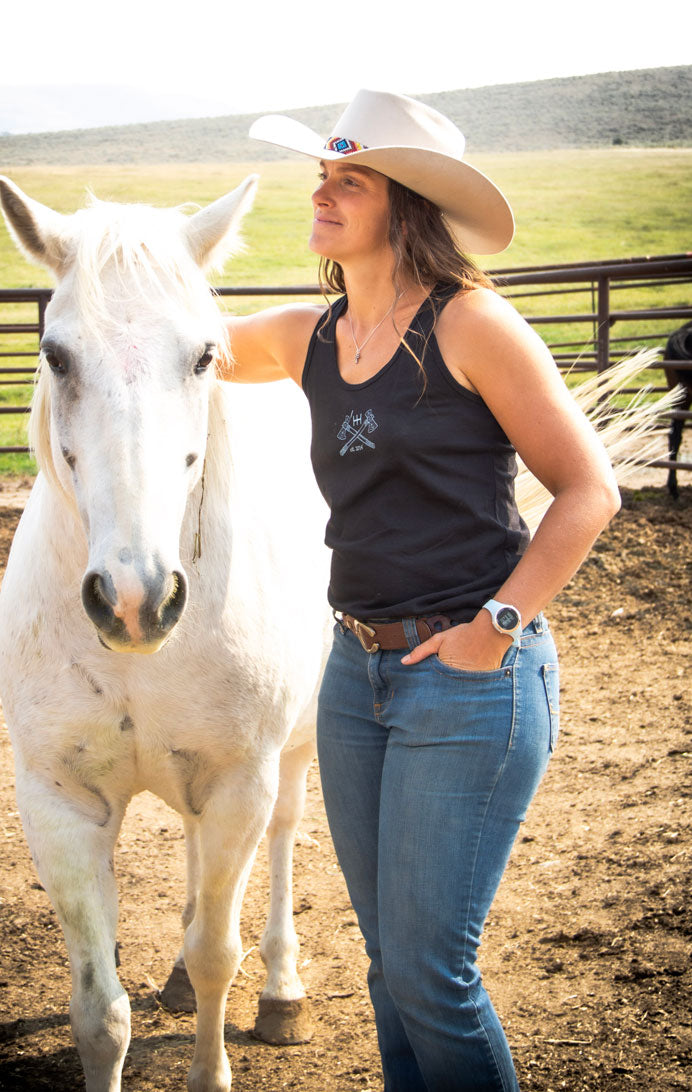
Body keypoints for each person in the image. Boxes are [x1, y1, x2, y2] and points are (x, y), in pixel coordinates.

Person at [222, 89, 620, 1091]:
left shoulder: (471, 324)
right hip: (354, 674)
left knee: (431, 974)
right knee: (388, 966)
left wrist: (497, 626)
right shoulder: (307, 336)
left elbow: (589, 491)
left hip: (468, 675)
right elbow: (186, 344)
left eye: (348, 181)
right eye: (322, 175)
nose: (321, 192)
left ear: (404, 206)